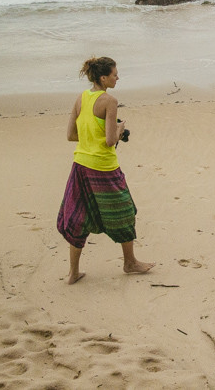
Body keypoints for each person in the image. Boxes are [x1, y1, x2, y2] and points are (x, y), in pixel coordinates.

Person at [57, 56, 154, 284]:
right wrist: (120, 129)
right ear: (103, 77)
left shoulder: (81, 98)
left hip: (80, 166)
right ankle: (129, 262)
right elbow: (111, 140)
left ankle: (73, 273)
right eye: (114, 74)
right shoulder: (109, 101)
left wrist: (94, 136)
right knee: (125, 211)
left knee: (78, 217)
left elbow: (71, 135)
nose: (117, 77)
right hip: (103, 168)